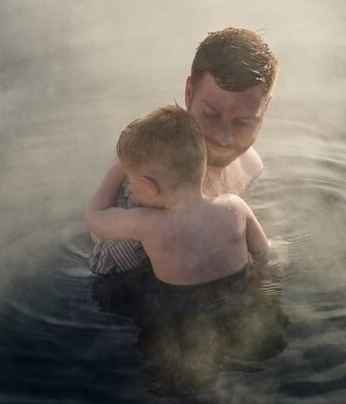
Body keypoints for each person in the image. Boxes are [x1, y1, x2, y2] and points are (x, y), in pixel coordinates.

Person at [87, 28, 278, 275]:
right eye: (210, 115)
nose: (224, 137)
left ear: (265, 109)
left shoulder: (250, 165)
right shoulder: (147, 184)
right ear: (189, 93)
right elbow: (109, 279)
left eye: (243, 122)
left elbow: (271, 232)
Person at [85, 104, 270, 286]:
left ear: (150, 186)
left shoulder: (148, 223)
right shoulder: (235, 207)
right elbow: (264, 251)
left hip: (178, 306)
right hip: (238, 293)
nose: (130, 189)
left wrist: (117, 168)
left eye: (132, 182)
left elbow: (95, 216)